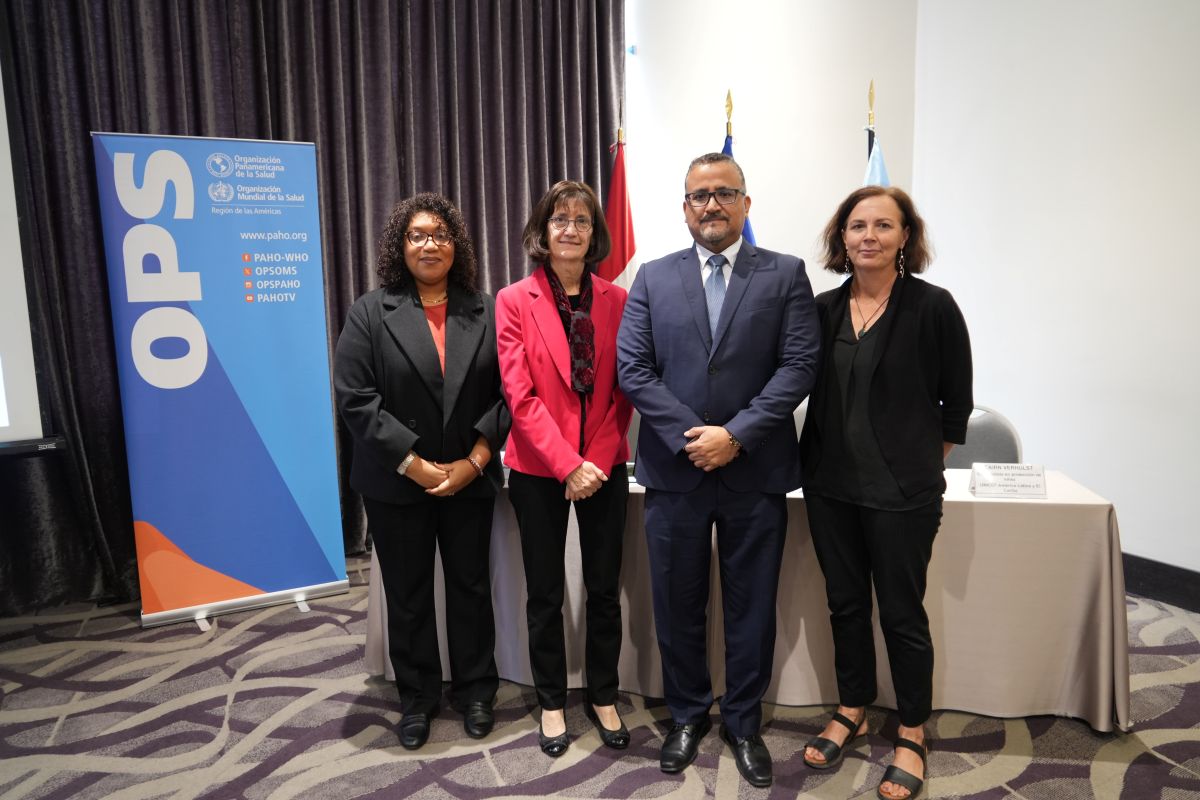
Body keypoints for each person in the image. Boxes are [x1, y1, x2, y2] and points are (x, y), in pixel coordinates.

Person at [616, 153, 820, 788]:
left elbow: (798, 366)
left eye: (724, 194)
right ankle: (685, 714)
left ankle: (743, 721)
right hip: (675, 474)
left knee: (751, 606)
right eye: (698, 196)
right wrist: (692, 438)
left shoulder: (785, 275)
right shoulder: (651, 277)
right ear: (684, 208)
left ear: (745, 204)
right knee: (677, 605)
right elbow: (634, 370)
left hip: (753, 471)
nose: (711, 205)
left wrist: (736, 435)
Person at [799, 186, 972, 800]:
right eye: (856, 225)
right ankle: (852, 707)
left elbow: (956, 412)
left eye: (883, 225)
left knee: (902, 615)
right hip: (829, 490)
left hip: (903, 496)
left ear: (905, 236)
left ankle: (913, 730)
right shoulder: (820, 310)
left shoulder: (933, 307)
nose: (867, 235)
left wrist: (912, 465)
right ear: (840, 237)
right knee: (845, 605)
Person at [333, 193, 510, 750]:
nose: (429, 243)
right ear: (400, 247)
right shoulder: (370, 311)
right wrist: (413, 464)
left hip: (469, 476)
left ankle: (476, 690)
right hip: (396, 480)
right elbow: (356, 398)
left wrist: (474, 461)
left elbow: (510, 394)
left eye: (439, 233)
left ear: (455, 244)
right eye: (417, 235)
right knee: (408, 594)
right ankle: (417, 697)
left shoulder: (485, 308)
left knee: (470, 588)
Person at [495, 180, 633, 757]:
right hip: (536, 468)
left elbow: (628, 388)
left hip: (603, 466)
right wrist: (565, 464)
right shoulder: (512, 300)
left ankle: (603, 695)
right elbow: (518, 394)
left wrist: (593, 461)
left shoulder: (619, 301)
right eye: (559, 219)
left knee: (604, 590)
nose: (571, 228)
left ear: (594, 232)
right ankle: (552, 701)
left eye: (581, 219)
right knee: (545, 592)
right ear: (542, 232)